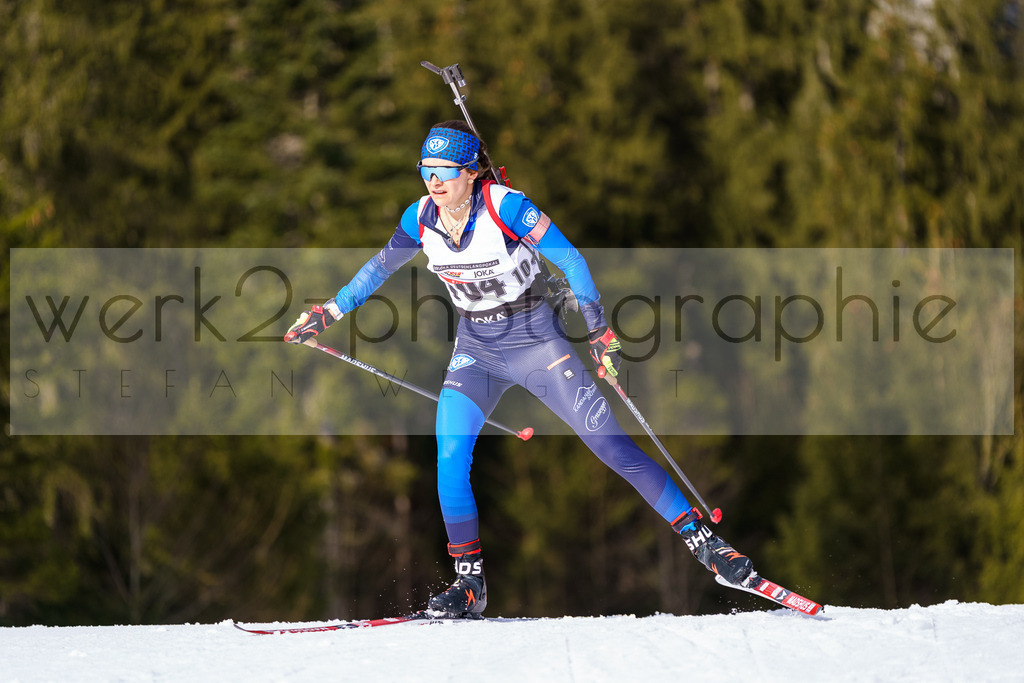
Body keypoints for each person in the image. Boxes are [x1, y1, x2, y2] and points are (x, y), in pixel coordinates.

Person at [285, 120, 755, 618]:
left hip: (537, 343)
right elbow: (378, 267)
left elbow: (571, 261)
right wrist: (327, 313)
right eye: (426, 170)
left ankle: (705, 544)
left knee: (608, 444)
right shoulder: (420, 218)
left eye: (445, 170)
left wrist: (598, 331)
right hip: (476, 350)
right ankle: (471, 586)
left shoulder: (505, 206)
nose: (434, 182)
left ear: (471, 173)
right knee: (449, 459)